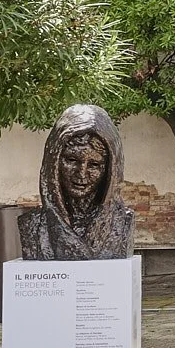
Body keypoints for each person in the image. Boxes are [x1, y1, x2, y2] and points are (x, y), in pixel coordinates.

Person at [18, 105, 136, 260]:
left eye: (94, 165)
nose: (81, 174)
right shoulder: (32, 224)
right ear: (54, 161)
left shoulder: (122, 222)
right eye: (72, 160)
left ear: (110, 169)